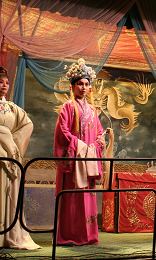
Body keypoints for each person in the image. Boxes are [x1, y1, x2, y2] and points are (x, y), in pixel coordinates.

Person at [54, 58, 111, 245]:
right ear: (73, 86)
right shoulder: (68, 107)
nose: (84, 87)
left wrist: (97, 144)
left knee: (87, 198)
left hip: (88, 159)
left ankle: (88, 236)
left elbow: (100, 132)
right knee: (72, 197)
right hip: (75, 159)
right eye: (80, 84)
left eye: (86, 84)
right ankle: (69, 236)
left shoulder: (92, 110)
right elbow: (63, 132)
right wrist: (80, 147)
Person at [0, 66, 41, 249]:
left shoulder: (13, 108)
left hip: (10, 156)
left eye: (7, 83)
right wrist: (7, 141)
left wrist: (14, 146)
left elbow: (27, 125)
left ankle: (9, 233)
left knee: (10, 194)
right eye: (0, 82)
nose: (4, 85)